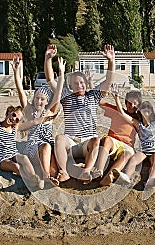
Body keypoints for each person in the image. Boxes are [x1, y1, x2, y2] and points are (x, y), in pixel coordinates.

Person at [44, 44, 115, 183]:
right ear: (71, 86)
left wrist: (111, 61)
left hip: (87, 142)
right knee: (58, 138)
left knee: (96, 140)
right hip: (71, 141)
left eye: (82, 83)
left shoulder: (93, 96)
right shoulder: (66, 96)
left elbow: (108, 81)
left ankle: (86, 171)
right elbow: (50, 81)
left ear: (86, 84)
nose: (80, 85)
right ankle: (64, 172)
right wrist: (47, 59)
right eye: (76, 83)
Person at [11, 56, 65, 187]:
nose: (38, 101)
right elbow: (20, 92)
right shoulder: (29, 111)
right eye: (36, 98)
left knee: (55, 168)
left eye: (42, 99)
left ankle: (44, 176)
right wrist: (16, 71)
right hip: (33, 147)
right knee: (46, 148)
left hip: (48, 147)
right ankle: (45, 176)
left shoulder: (50, 112)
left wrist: (61, 73)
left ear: (47, 101)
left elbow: (58, 93)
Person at [94, 89, 142, 186]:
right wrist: (93, 85)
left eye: (135, 103)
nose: (132, 106)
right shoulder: (116, 110)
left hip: (127, 146)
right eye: (129, 103)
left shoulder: (139, 119)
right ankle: (98, 171)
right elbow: (99, 102)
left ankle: (109, 176)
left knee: (127, 154)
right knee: (107, 139)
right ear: (125, 102)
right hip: (113, 141)